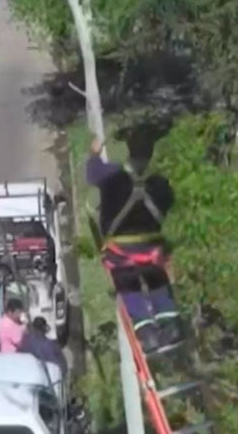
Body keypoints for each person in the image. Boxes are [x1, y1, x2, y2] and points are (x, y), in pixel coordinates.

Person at [86, 135, 184, 353]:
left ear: (129, 151)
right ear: (150, 154)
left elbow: (91, 173)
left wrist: (94, 153)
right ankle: (170, 324)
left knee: (129, 286)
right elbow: (169, 202)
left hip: (122, 252)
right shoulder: (160, 183)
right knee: (157, 280)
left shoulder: (113, 176)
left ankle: (147, 332)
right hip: (152, 248)